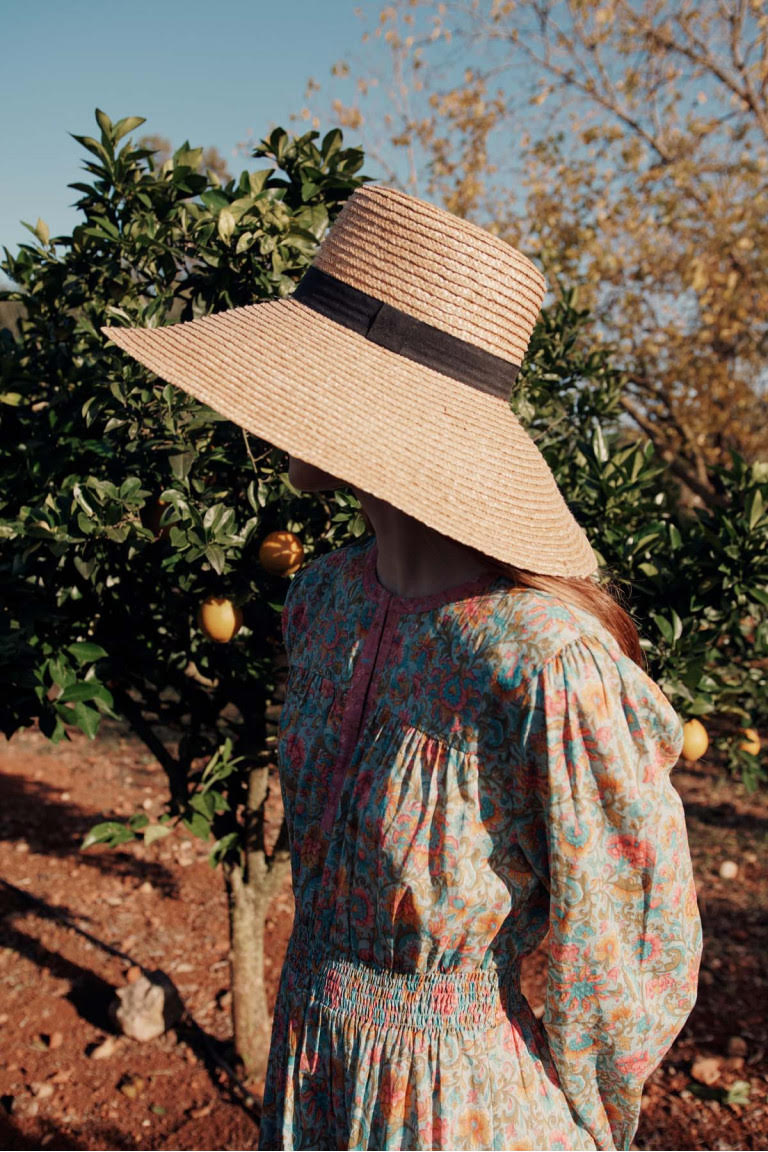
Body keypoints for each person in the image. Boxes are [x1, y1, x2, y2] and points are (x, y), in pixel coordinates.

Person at [103, 183, 703, 1151]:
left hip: (462, 1108)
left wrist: (588, 1115)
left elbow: (633, 953)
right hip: (315, 1063)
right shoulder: (327, 596)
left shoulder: (546, 663)